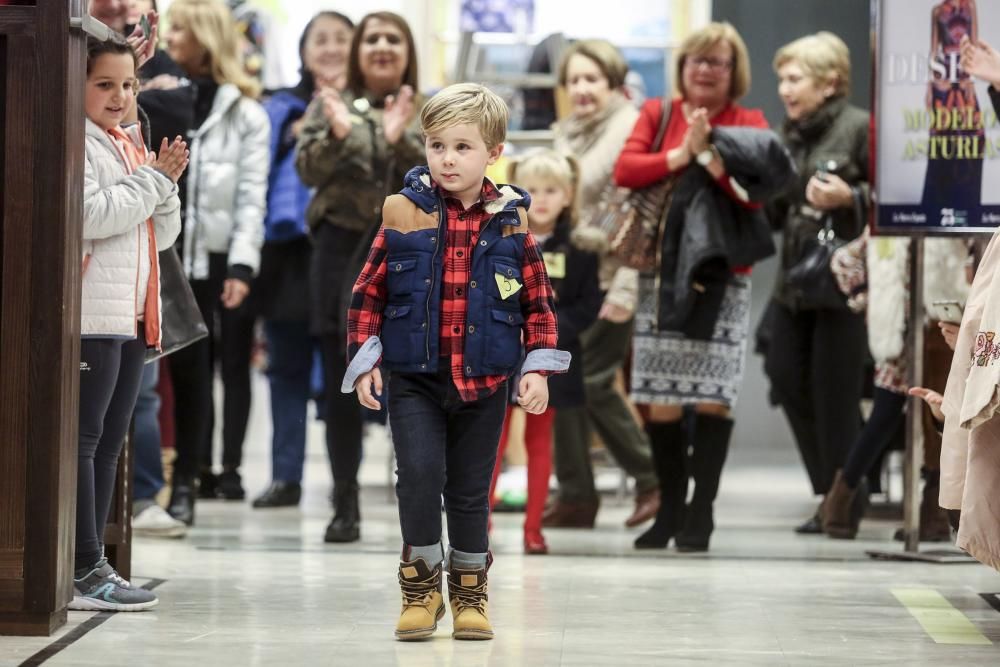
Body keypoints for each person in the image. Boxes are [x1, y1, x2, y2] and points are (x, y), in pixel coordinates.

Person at [342, 83, 567, 640]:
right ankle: (420, 586)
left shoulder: (513, 224)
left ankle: (470, 591)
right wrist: (366, 360)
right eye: (436, 144)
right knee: (417, 477)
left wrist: (535, 367)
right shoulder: (401, 212)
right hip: (414, 378)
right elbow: (368, 293)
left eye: (462, 147)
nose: (447, 158)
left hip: (486, 381)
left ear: (494, 152)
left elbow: (539, 303)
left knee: (470, 489)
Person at [614, 22, 790, 552]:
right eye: (696, 60)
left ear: (734, 71)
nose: (706, 70)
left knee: (714, 398)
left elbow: (757, 198)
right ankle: (669, 511)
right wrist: (681, 153)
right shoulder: (657, 113)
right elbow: (626, 170)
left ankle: (701, 513)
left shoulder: (749, 120)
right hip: (660, 275)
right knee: (659, 397)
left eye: (717, 62)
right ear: (682, 67)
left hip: (723, 278)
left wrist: (711, 156)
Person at [296, 11, 425, 543]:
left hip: (407, 252)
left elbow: (440, 173)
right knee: (343, 379)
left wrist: (396, 139)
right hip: (338, 249)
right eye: (372, 38)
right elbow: (308, 169)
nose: (381, 47)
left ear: (406, 50)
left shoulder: (429, 109)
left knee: (413, 378)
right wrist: (346, 134)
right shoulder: (327, 104)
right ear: (358, 49)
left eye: (392, 38)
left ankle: (414, 498)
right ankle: (344, 501)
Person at [73, 35, 186, 610]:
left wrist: (162, 185)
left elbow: (159, 235)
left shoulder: (123, 142)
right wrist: (155, 181)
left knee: (110, 444)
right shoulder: (80, 143)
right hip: (90, 316)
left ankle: (92, 566)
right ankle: (81, 567)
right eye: (105, 84)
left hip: (128, 315)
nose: (120, 96)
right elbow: (91, 215)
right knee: (84, 442)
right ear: (77, 84)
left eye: (128, 85)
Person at [545, 39, 660, 530]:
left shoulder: (629, 127)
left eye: (592, 78)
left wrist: (628, 286)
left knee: (591, 381)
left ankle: (654, 479)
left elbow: (645, 214)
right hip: (571, 279)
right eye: (574, 80)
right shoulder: (568, 134)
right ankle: (576, 494)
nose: (582, 89)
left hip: (615, 278)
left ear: (614, 82)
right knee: (561, 383)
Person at [162, 0, 269, 524]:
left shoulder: (246, 112)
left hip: (215, 257)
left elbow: (253, 194)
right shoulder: (158, 95)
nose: (169, 35)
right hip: (164, 248)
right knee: (178, 369)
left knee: (202, 368)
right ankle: (177, 472)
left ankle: (190, 479)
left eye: (179, 27)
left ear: (205, 36)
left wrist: (242, 266)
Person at [762, 32, 870, 534]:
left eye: (795, 78)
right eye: (782, 78)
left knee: (836, 395)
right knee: (785, 376)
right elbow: (778, 212)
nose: (785, 88)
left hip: (842, 287)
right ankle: (835, 485)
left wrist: (851, 196)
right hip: (793, 285)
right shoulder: (790, 134)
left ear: (829, 83)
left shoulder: (859, 128)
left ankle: (841, 497)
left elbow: (891, 199)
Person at [252, 11, 355, 509]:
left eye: (341, 39)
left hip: (350, 251)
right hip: (288, 254)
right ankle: (285, 476)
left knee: (350, 370)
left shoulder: (372, 108)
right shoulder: (280, 106)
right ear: (304, 50)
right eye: (321, 39)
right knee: (286, 367)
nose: (332, 48)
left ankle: (347, 485)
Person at [489, 150, 601, 554]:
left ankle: (533, 528)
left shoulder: (584, 249)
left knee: (540, 443)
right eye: (532, 190)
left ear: (568, 195)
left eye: (551, 190)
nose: (542, 199)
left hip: (550, 358)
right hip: (500, 353)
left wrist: (547, 332)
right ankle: (479, 524)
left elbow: (588, 305)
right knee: (491, 440)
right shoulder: (501, 238)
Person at [923, 0, 982, 210]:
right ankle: (937, 206)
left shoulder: (970, 6)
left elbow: (973, 45)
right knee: (941, 140)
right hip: (944, 77)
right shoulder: (937, 11)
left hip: (965, 77)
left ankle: (967, 205)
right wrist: (930, 87)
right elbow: (933, 51)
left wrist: (971, 80)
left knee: (973, 137)